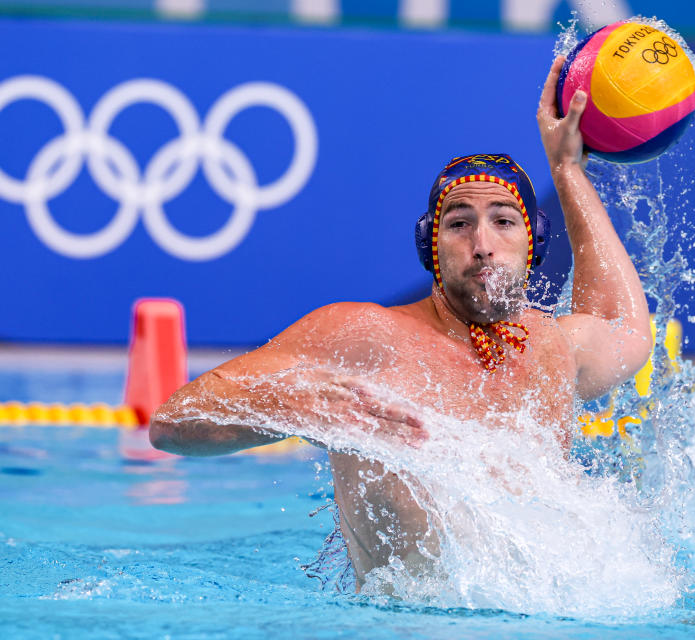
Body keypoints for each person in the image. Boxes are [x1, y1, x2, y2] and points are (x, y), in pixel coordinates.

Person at [149, 57, 652, 586]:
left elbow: (624, 328)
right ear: (429, 248)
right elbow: (172, 422)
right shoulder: (366, 335)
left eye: (504, 222)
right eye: (459, 224)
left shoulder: (550, 347)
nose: (482, 246)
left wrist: (568, 171)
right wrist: (293, 405)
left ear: (534, 244)